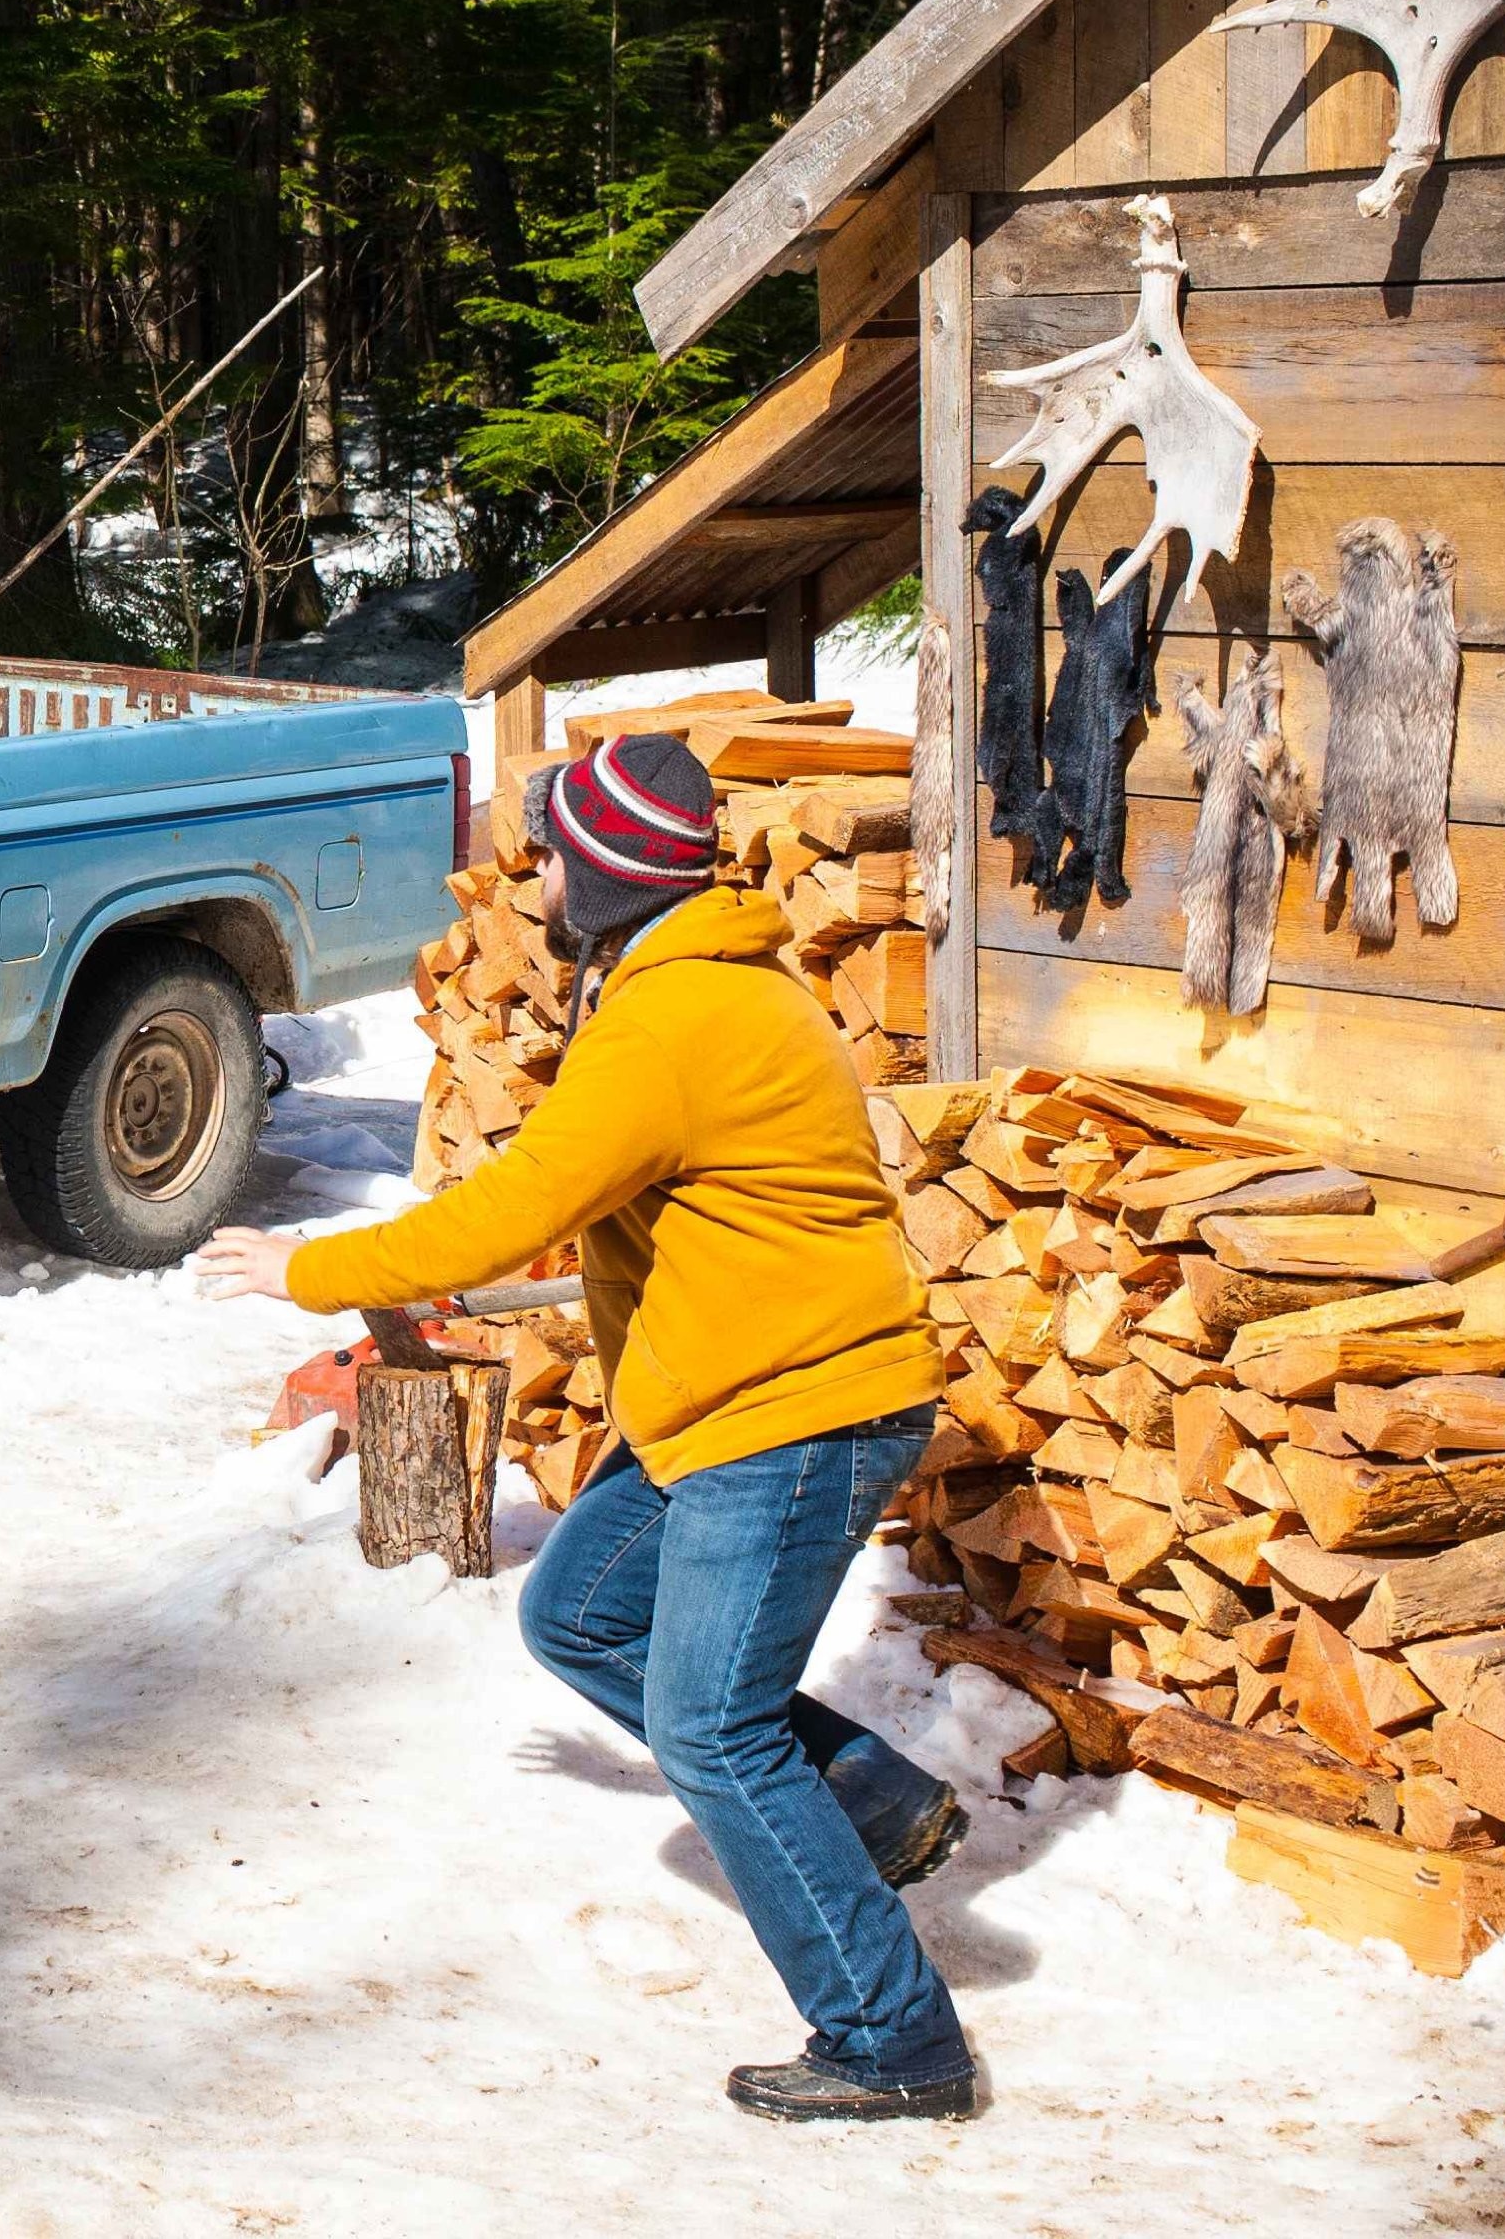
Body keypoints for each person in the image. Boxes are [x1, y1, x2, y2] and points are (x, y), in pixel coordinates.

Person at [193, 731, 978, 2125]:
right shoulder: (695, 982)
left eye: (555, 854)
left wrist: (306, 1268)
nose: (540, 876)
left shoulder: (677, 1023)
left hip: (796, 1410)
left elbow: (517, 1206)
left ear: (606, 876)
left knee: (710, 1730)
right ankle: (871, 1799)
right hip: (726, 1402)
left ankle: (894, 2038)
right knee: (579, 1615)